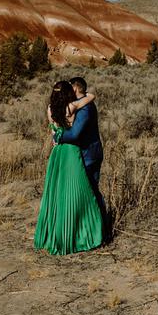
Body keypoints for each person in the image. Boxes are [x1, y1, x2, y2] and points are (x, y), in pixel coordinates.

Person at [32, 80, 103, 255]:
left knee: (56, 192)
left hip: (56, 153)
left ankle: (54, 233)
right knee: (76, 192)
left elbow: (54, 135)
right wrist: (84, 94)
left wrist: (57, 137)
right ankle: (81, 232)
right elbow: (90, 97)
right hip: (71, 152)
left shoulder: (50, 109)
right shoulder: (71, 107)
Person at [56, 75, 108, 240]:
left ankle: (99, 231)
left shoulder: (85, 109)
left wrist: (58, 136)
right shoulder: (84, 104)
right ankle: (93, 230)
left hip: (88, 155)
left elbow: (75, 133)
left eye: (70, 88)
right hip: (90, 153)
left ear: (76, 88)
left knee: (90, 192)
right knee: (90, 191)